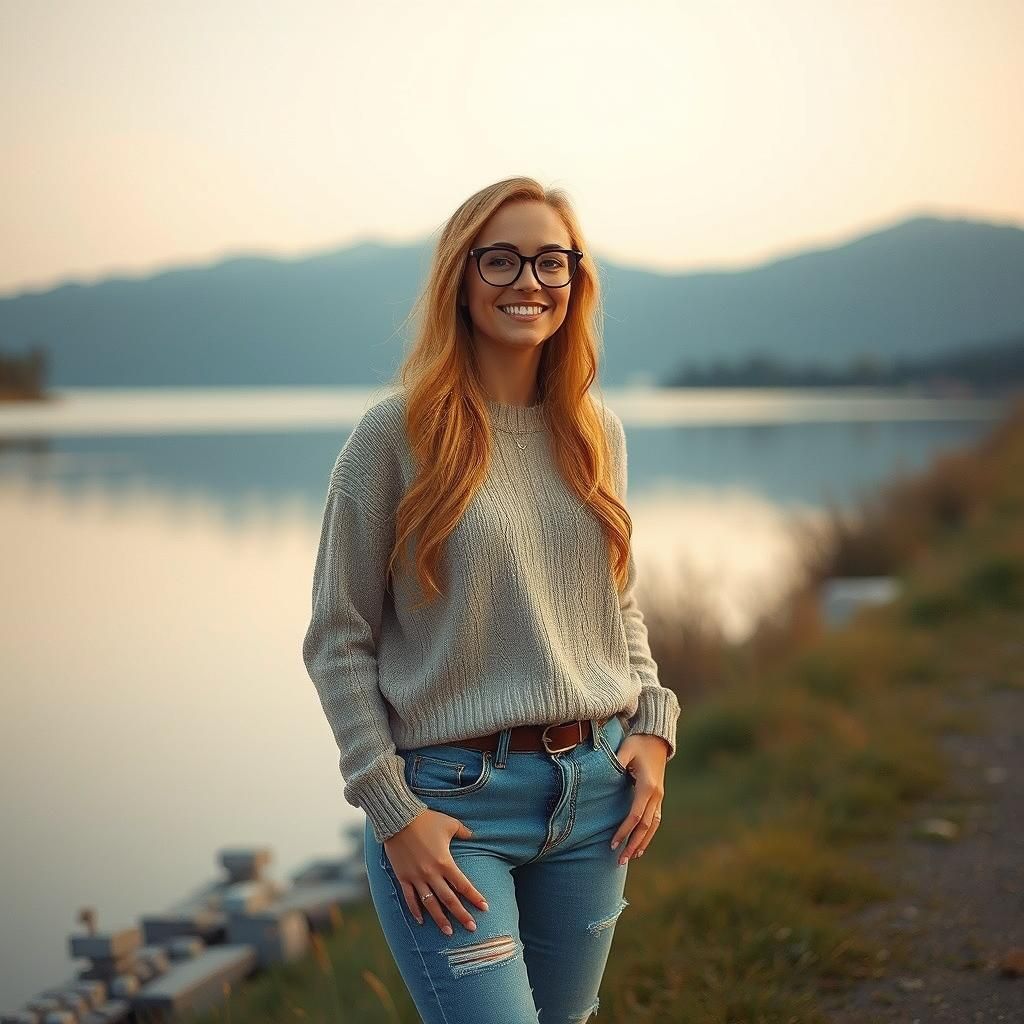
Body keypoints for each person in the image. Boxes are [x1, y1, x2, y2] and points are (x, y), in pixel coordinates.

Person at [302, 176, 681, 1024]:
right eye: (501, 259)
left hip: (594, 800)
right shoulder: (394, 437)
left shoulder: (594, 431)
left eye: (551, 261)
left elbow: (615, 606)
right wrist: (392, 810)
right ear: (460, 276)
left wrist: (653, 726)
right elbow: (337, 638)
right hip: (454, 805)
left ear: (575, 281)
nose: (528, 282)